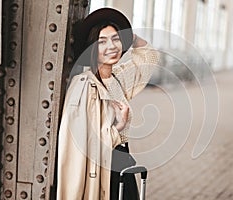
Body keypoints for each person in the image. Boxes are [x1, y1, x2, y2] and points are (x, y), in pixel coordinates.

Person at [56, 8, 159, 200]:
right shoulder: (84, 85)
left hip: (122, 165)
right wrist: (118, 127)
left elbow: (149, 58)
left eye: (116, 39)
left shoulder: (118, 78)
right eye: (102, 41)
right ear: (91, 47)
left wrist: (131, 37)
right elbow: (81, 142)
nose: (111, 46)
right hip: (101, 170)